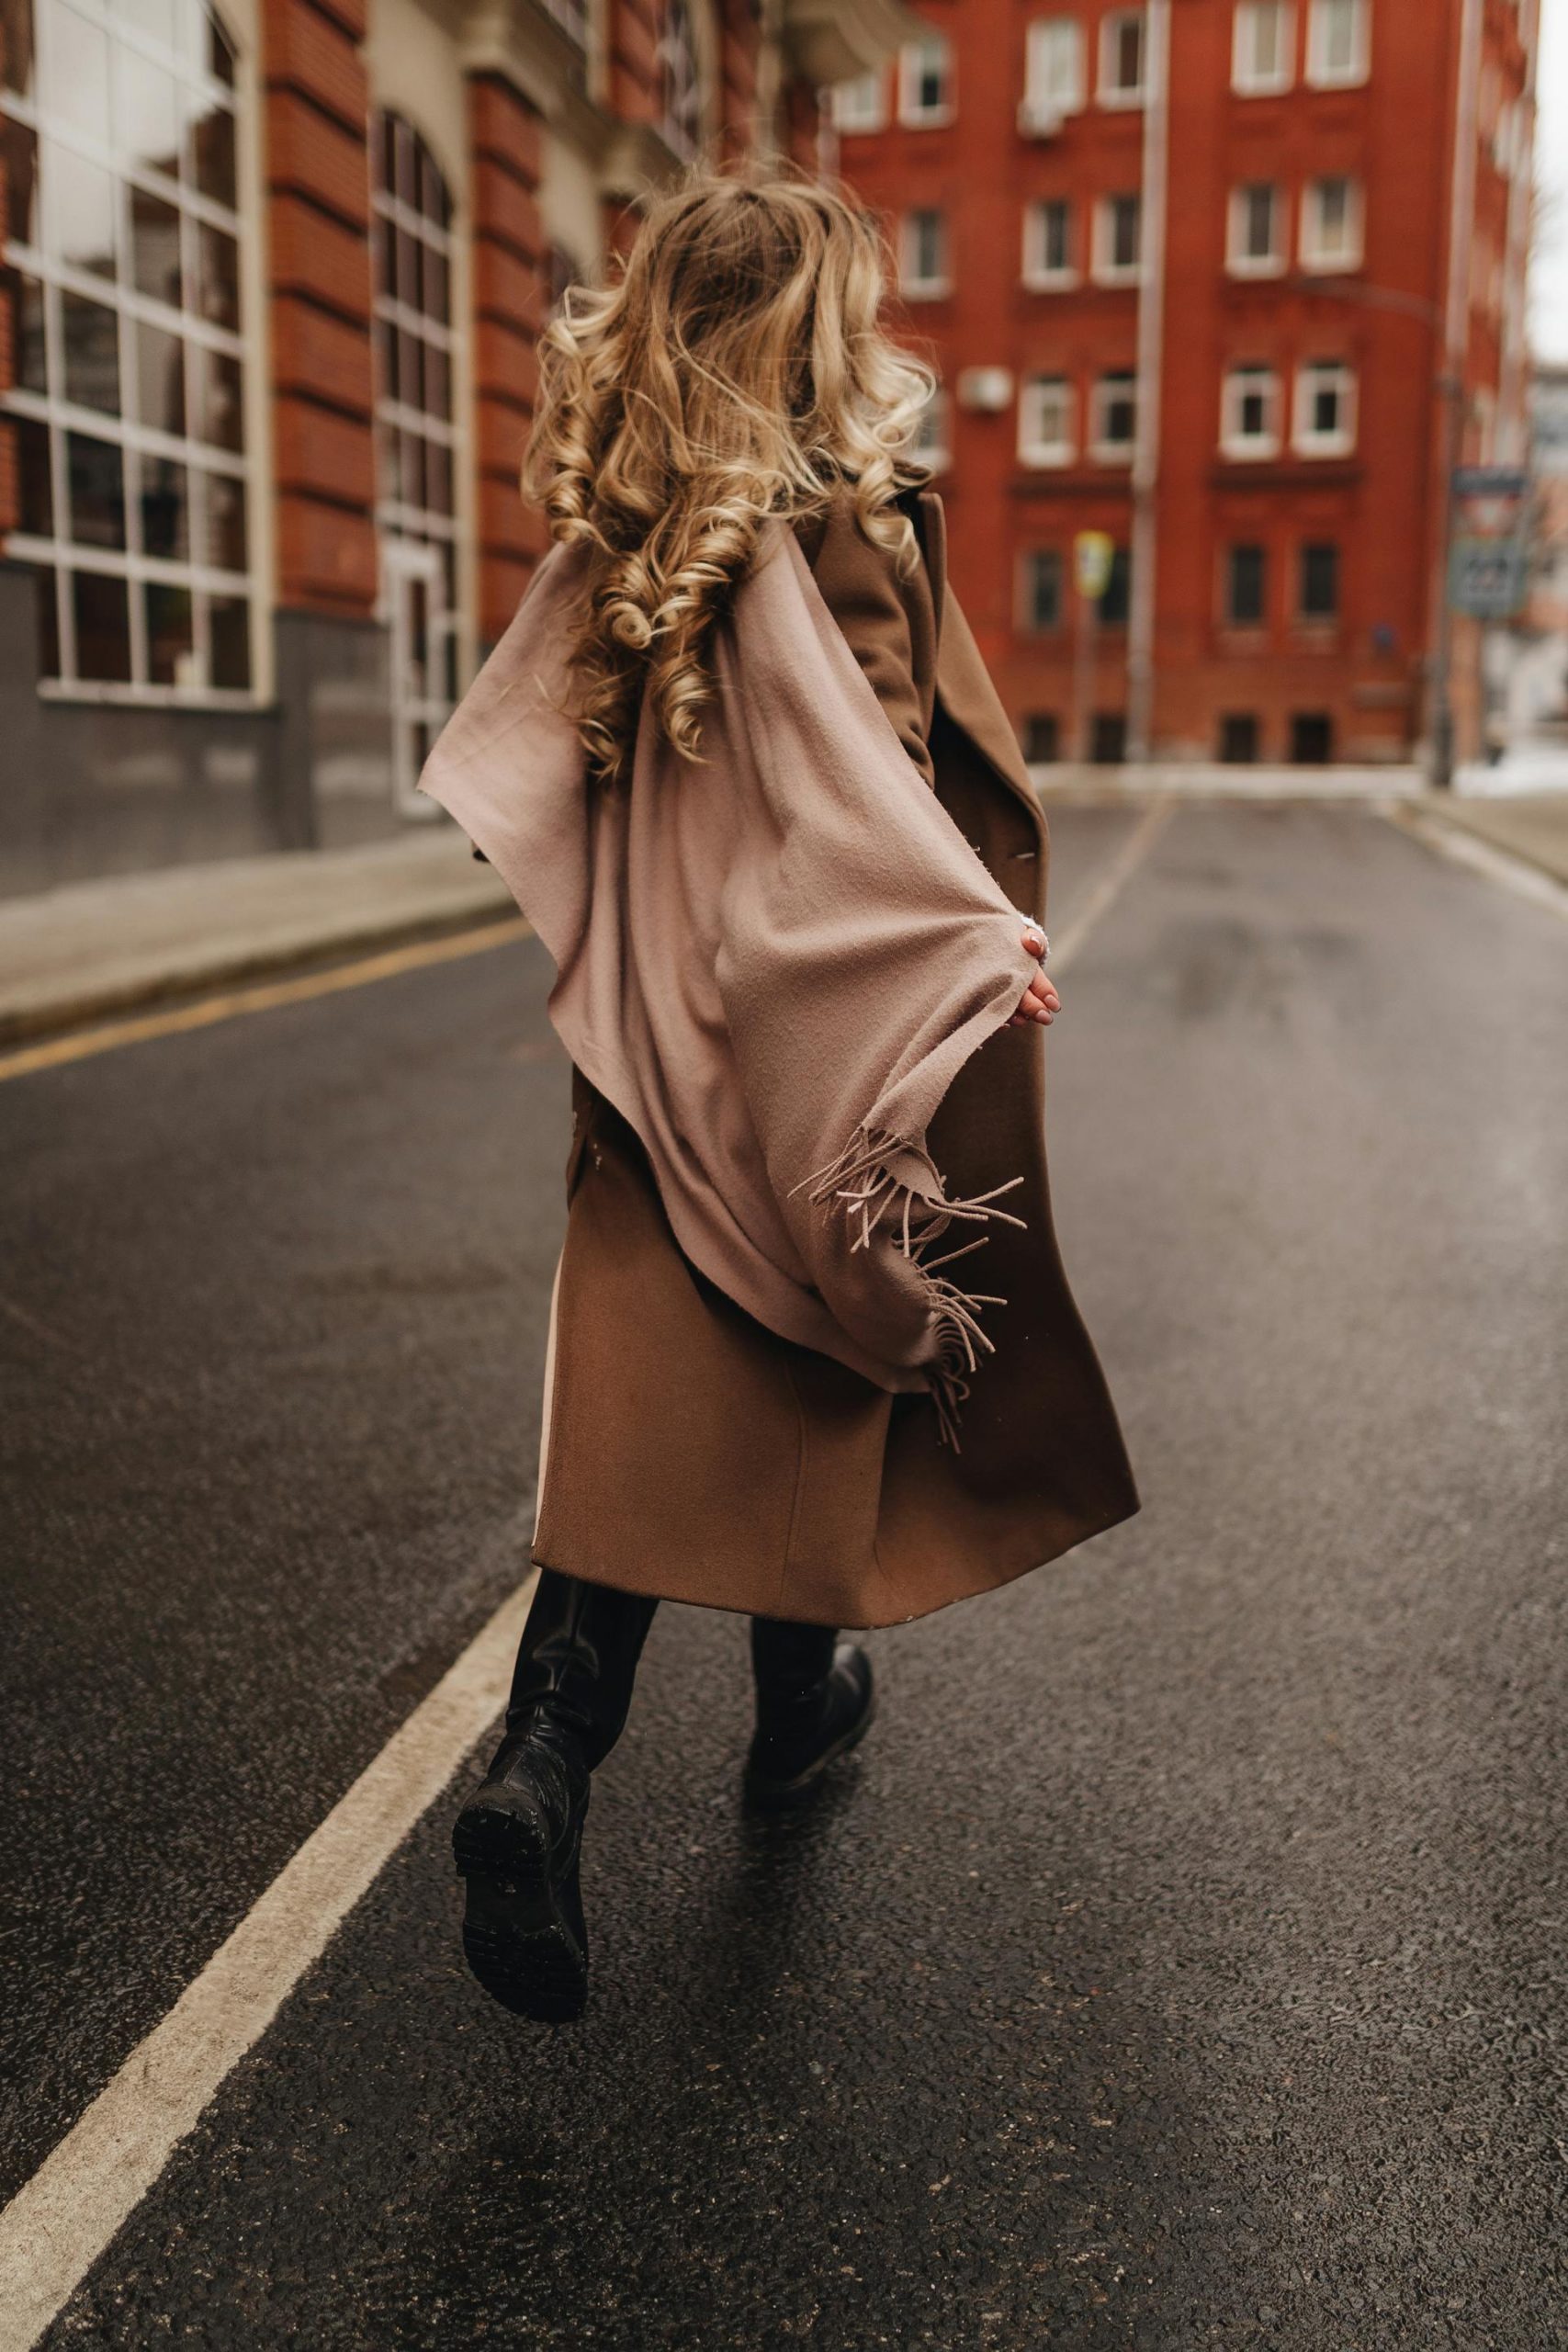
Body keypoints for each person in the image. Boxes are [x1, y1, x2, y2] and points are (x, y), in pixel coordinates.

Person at [421, 166, 1138, 2026]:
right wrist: (969, 950)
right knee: (822, 1369)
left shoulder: (629, 533)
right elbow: (869, 797)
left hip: (640, 1066)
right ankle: (797, 1705)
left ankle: (542, 1764)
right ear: (822, 331)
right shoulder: (844, 530)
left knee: (647, 1439)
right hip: (778, 1050)